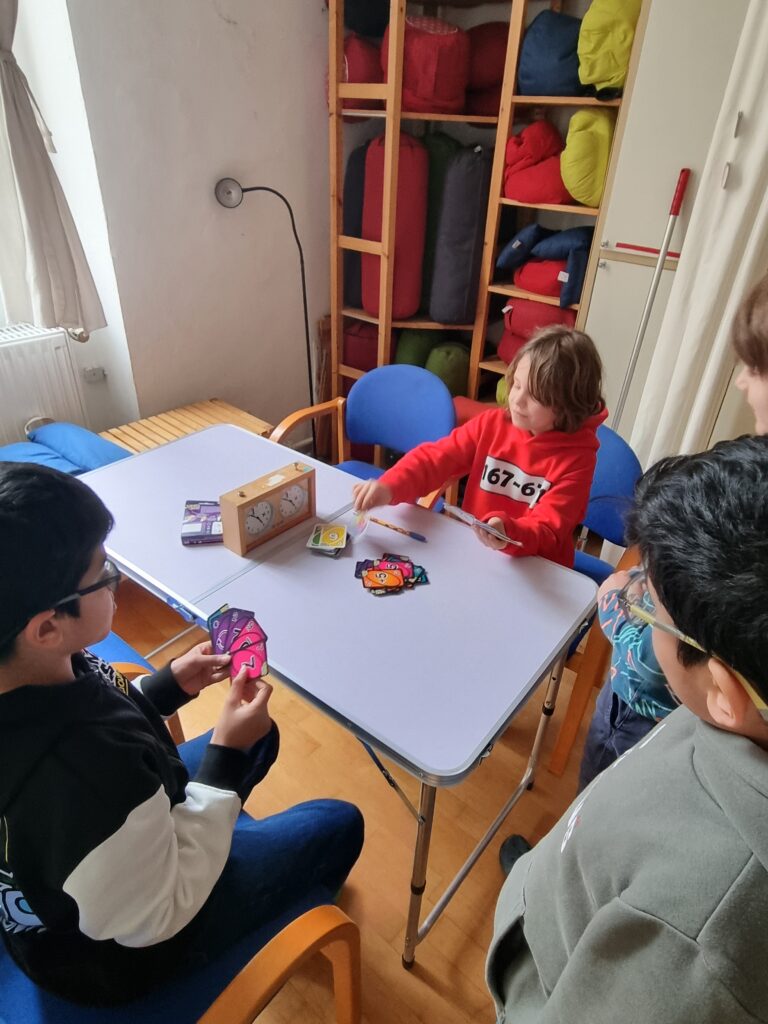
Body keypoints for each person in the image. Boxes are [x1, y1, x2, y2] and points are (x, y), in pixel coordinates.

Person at [0, 463, 364, 1007]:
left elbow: (99, 709)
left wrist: (166, 688)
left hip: (100, 867)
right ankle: (278, 915)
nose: (114, 578)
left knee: (259, 739)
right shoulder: (84, 779)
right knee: (339, 823)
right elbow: (161, 913)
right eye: (102, 571)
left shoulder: (36, 665)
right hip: (131, 947)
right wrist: (223, 759)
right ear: (47, 626)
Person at [487, 435, 768, 1024]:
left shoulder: (694, 942)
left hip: (539, 979)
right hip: (565, 890)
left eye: (653, 610)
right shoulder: (729, 714)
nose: (640, 602)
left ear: (724, 692)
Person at [576, 269, 768, 793]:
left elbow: (655, 645)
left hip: (650, 718)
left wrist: (623, 597)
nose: (742, 381)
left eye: (756, 366)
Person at [353, 326, 607, 568]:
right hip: (479, 555)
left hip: (537, 568)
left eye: (536, 396)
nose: (517, 400)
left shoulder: (578, 459)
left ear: (568, 405)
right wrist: (390, 485)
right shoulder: (492, 424)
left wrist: (506, 532)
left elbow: (548, 529)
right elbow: (436, 458)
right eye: (516, 385)